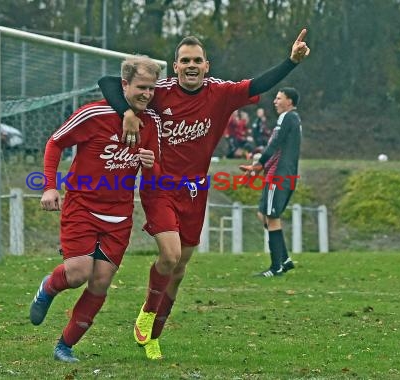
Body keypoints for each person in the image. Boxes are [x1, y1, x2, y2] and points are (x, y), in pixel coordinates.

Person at [97, 29, 310, 360]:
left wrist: (291, 62)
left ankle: (153, 337)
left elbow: (258, 85)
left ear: (207, 65)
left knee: (179, 271)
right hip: (160, 186)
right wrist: (126, 113)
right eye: (185, 61)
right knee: (169, 256)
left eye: (197, 60)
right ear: (175, 66)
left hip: (196, 190)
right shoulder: (160, 91)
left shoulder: (221, 93)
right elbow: (109, 83)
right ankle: (147, 314)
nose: (191, 65)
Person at [28, 56, 162, 363]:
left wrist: (151, 166)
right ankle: (48, 288)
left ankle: (65, 346)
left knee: (100, 281)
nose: (147, 94)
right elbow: (55, 143)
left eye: (151, 89)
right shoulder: (93, 114)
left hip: (120, 214)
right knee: (78, 273)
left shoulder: (151, 122)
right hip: (82, 207)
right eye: (141, 87)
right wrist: (49, 185)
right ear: (124, 85)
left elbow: (154, 171)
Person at [240, 88, 302, 277]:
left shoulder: (287, 117)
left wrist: (258, 165)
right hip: (285, 173)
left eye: (279, 98)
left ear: (289, 101)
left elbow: (274, 144)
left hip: (280, 175)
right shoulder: (294, 120)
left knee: (271, 217)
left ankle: (276, 268)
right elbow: (278, 147)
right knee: (263, 215)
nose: (275, 101)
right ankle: (284, 259)